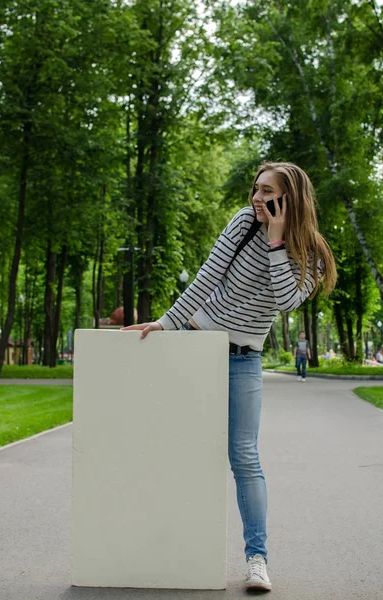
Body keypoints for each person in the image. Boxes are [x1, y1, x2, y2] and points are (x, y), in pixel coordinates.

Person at [122, 161, 337, 591]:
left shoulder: (312, 253)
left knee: (244, 457)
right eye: (256, 189)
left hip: (244, 360)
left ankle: (257, 559)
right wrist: (165, 323)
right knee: (180, 449)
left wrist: (276, 241)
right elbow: (205, 280)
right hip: (196, 346)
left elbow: (286, 301)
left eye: (267, 192)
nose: (257, 199)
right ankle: (170, 550)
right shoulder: (241, 223)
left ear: (289, 199)